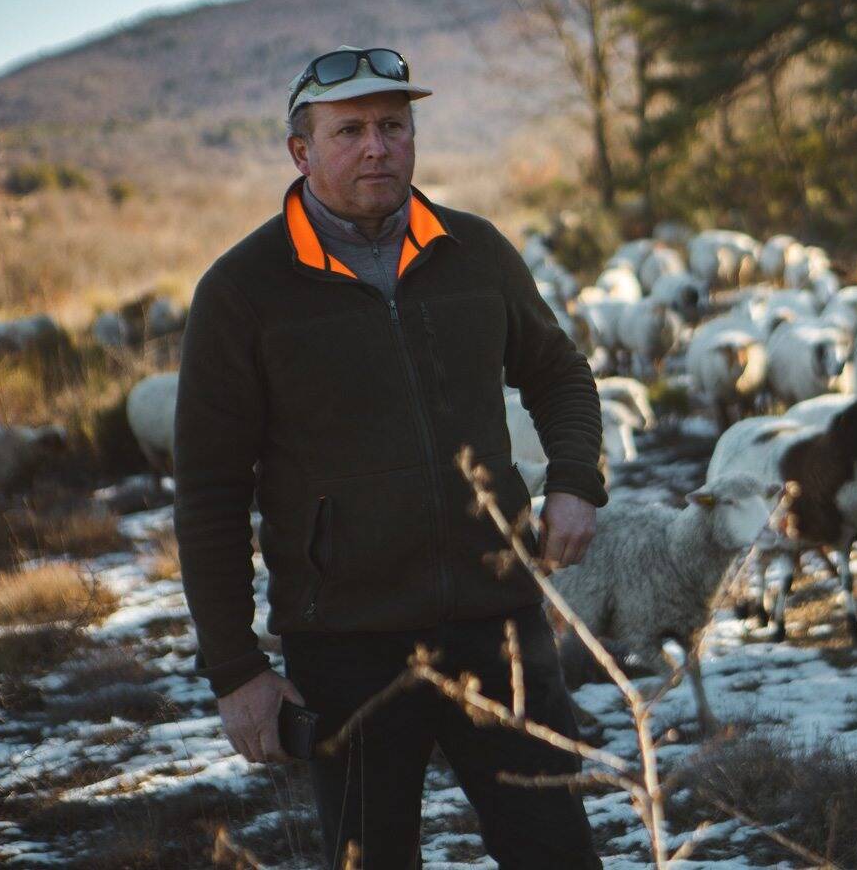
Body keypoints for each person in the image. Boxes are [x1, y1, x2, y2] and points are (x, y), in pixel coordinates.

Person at [172, 46, 606, 868]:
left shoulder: (474, 252)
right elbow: (209, 495)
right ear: (301, 152)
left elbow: (558, 372)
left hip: (498, 625)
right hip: (346, 649)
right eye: (350, 131)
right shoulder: (243, 292)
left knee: (557, 851)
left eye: (394, 125)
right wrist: (237, 671)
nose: (377, 146)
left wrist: (577, 482)